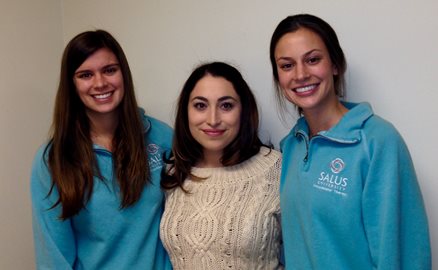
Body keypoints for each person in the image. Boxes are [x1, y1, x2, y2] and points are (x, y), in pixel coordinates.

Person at [270, 14, 431, 269]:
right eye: (287, 65)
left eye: (312, 60)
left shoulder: (377, 141)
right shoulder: (290, 146)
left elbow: (403, 252)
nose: (300, 74)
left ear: (335, 64)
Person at [30, 30, 172, 269]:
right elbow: (54, 258)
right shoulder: (52, 160)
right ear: (71, 84)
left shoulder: (162, 137)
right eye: (85, 74)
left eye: (109, 70)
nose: (100, 83)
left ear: (123, 73)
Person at [160, 62, 283, 269]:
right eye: (200, 105)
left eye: (226, 105)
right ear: (186, 112)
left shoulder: (275, 168)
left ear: (243, 110)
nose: (213, 119)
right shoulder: (174, 172)